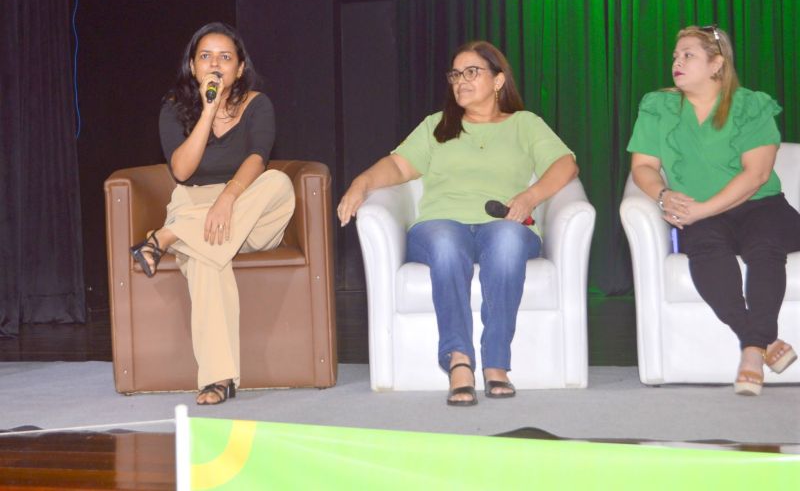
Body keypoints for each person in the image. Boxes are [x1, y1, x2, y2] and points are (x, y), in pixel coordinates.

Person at [338, 41, 578, 406]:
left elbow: (565, 165)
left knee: (509, 243)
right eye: (455, 74)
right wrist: (361, 183)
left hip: (503, 223)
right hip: (440, 223)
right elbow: (398, 166)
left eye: (472, 72)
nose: (460, 81)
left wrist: (530, 197)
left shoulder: (525, 124)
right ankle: (458, 359)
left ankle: (496, 362)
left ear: (498, 81)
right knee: (448, 247)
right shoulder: (438, 126)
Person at [628, 25, 800, 396]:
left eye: (688, 55)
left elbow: (757, 174)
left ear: (716, 64)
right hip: (698, 213)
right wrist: (662, 195)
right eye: (675, 56)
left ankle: (751, 353)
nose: (677, 62)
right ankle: (764, 345)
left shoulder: (752, 105)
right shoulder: (657, 107)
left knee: (764, 248)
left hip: (760, 206)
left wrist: (702, 209)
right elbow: (642, 167)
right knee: (706, 251)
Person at [129, 22, 295, 405]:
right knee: (207, 261)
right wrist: (208, 111)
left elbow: (258, 158)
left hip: (248, 211)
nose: (215, 63)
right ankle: (219, 379)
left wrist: (229, 198)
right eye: (206, 56)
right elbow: (182, 171)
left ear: (239, 68)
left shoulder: (258, 104)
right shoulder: (174, 109)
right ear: (192, 66)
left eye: (225, 57)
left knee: (278, 184)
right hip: (195, 207)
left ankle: (166, 237)